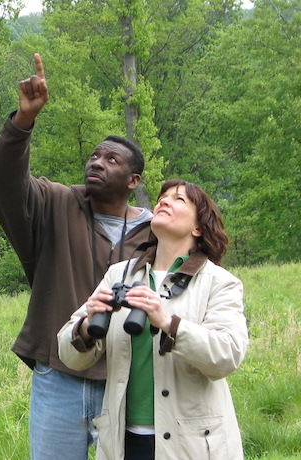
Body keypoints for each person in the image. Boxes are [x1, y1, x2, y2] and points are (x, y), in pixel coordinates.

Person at [0, 53, 153, 459]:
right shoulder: (56, 203)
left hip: (126, 380)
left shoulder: (155, 231)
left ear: (134, 181)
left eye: (111, 159)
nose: (97, 161)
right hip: (59, 375)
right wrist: (23, 122)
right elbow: (1, 184)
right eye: (95, 155)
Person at [57, 179, 248, 459]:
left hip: (191, 445)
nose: (164, 201)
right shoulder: (119, 275)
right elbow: (68, 355)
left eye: (179, 199)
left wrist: (169, 323)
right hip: (123, 441)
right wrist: (87, 326)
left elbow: (228, 355)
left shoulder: (219, 283)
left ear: (198, 227)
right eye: (162, 197)